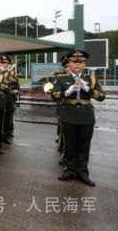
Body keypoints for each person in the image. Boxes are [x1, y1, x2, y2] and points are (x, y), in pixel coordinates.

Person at [50, 50, 105, 186]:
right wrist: (67, 92)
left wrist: (88, 89)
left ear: (84, 64)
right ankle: (69, 169)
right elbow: (54, 94)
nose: (77, 65)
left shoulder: (91, 79)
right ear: (69, 64)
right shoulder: (62, 78)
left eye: (80, 62)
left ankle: (82, 172)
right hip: (68, 113)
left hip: (86, 115)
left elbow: (101, 97)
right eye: (74, 62)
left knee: (84, 145)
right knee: (69, 143)